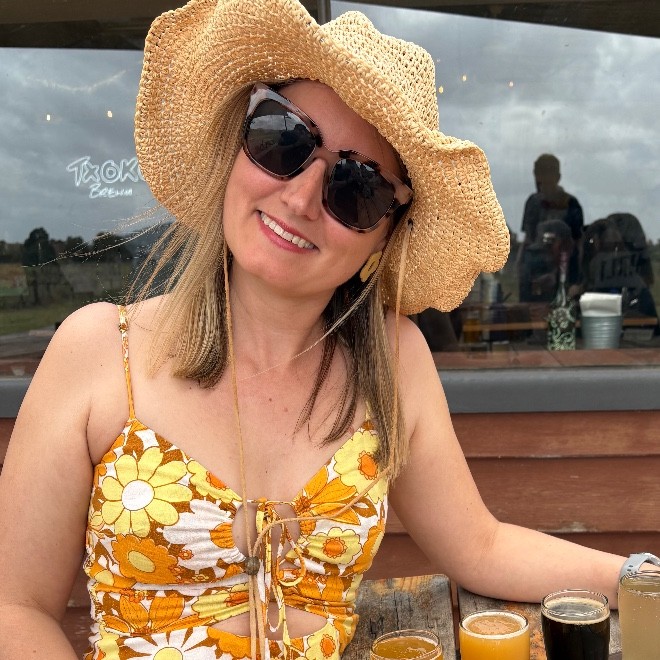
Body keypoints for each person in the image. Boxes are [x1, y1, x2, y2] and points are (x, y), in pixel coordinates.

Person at [0, 1, 657, 659]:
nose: (300, 198)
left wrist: (639, 577)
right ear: (237, 146)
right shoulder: (98, 351)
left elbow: (480, 545)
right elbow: (14, 608)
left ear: (385, 236)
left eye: (356, 188)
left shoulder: (393, 361)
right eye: (282, 140)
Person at [518, 153, 584, 302]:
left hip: (563, 276)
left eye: (547, 175)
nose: (542, 181)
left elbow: (578, 246)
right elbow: (528, 240)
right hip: (536, 275)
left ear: (557, 177)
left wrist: (576, 282)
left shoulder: (571, 204)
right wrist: (522, 272)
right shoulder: (533, 203)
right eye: (540, 175)